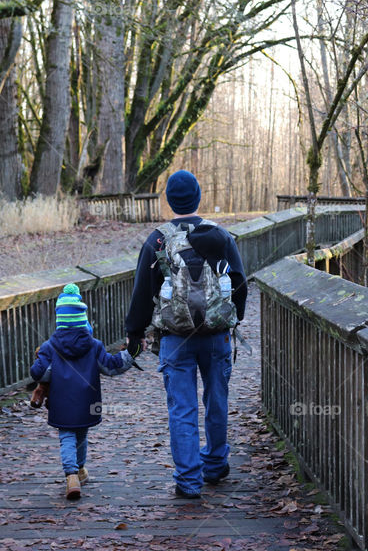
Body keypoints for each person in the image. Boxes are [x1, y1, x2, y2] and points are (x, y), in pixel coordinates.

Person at [125, 170, 247, 498]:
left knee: (182, 408)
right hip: (217, 334)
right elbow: (239, 282)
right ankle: (216, 465)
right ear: (198, 197)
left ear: (169, 199)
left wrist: (134, 334)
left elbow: (142, 292)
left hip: (175, 338)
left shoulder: (158, 240)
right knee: (216, 400)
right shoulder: (221, 235)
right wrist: (233, 319)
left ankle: (189, 481)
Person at [30, 283, 134, 500]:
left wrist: (41, 361)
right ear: (83, 320)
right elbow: (111, 366)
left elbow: (38, 374)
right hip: (87, 401)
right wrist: (131, 353)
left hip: (61, 401)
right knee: (81, 434)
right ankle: (81, 469)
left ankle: (71, 475)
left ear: (59, 320)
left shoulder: (50, 346)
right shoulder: (94, 345)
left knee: (66, 435)